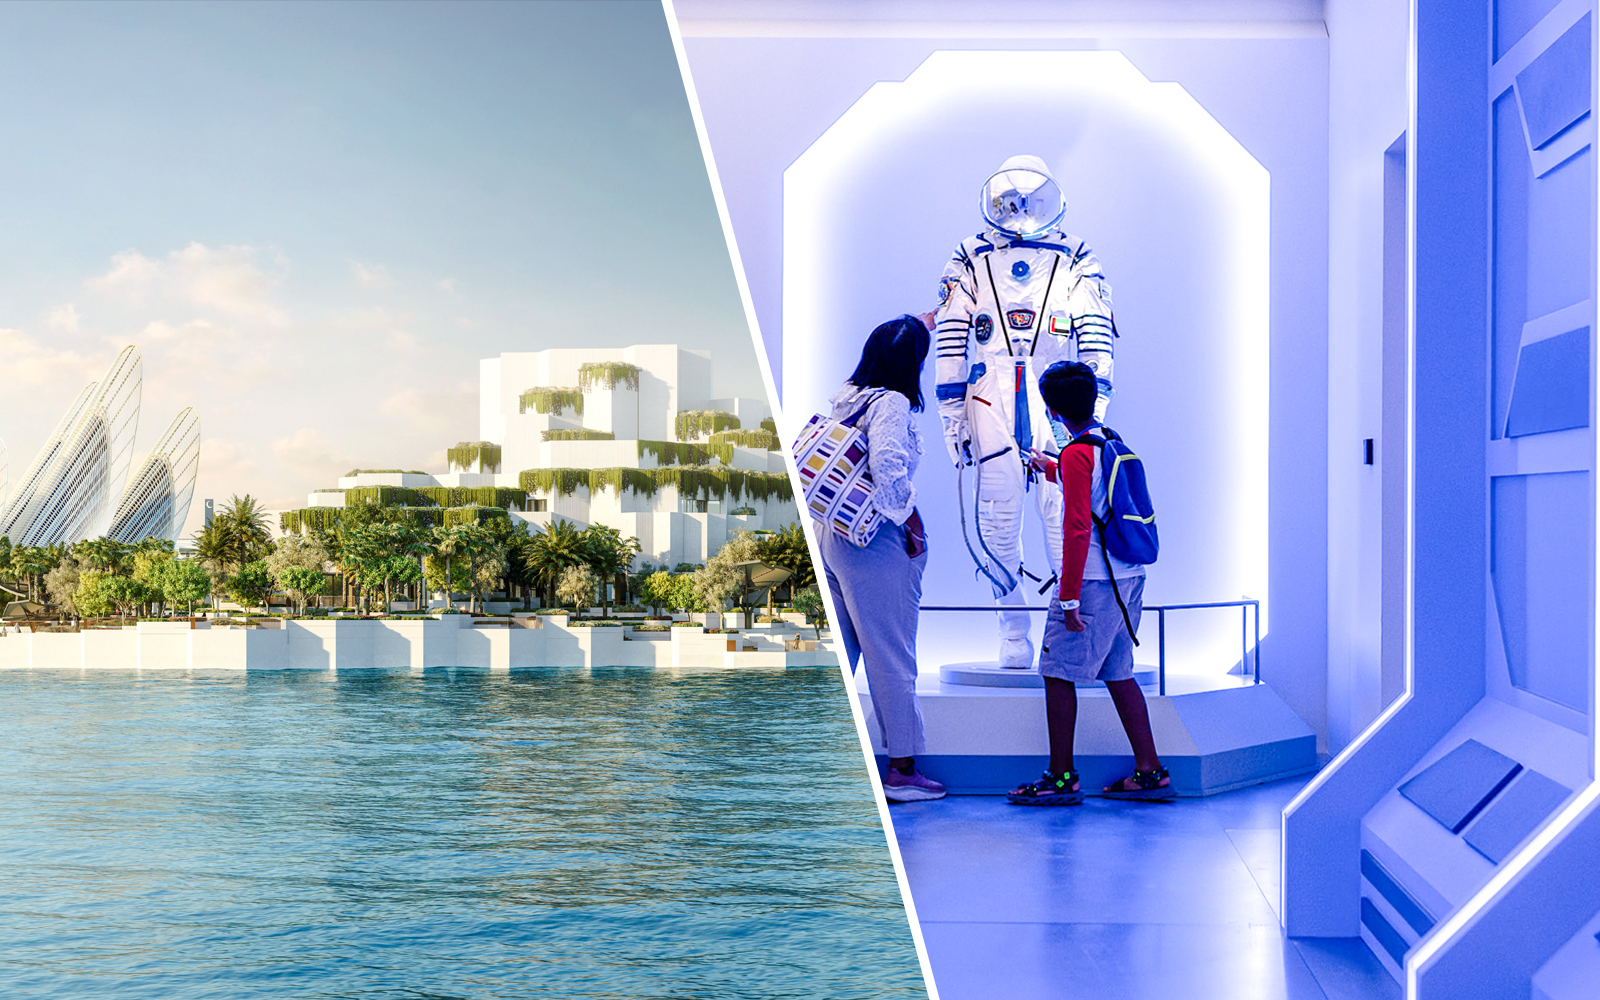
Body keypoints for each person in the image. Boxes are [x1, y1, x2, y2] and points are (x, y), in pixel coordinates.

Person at [932, 155, 1118, 670]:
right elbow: (951, 336)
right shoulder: (970, 256)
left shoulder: (1077, 256)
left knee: (1064, 514)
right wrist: (952, 414)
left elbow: (1097, 335)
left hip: (1055, 395)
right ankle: (1012, 625)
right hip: (990, 391)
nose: (1018, 212)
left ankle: (1065, 622)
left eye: (1030, 199)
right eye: (1009, 200)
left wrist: (1092, 411)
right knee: (996, 513)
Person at [1006, 360, 1171, 805]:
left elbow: (1077, 527)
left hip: (1094, 584)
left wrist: (1069, 596)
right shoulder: (1108, 443)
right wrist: (1053, 468)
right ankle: (1150, 771)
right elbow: (1096, 487)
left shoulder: (1078, 455)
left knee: (1057, 673)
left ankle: (1061, 778)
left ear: (1051, 410)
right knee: (1119, 674)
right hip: (1129, 579)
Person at [818, 313, 943, 802]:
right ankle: (902, 770)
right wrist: (911, 523)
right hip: (875, 541)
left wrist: (923, 319)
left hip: (833, 533)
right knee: (891, 655)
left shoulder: (848, 395)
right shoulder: (891, 403)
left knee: (844, 652)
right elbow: (888, 467)